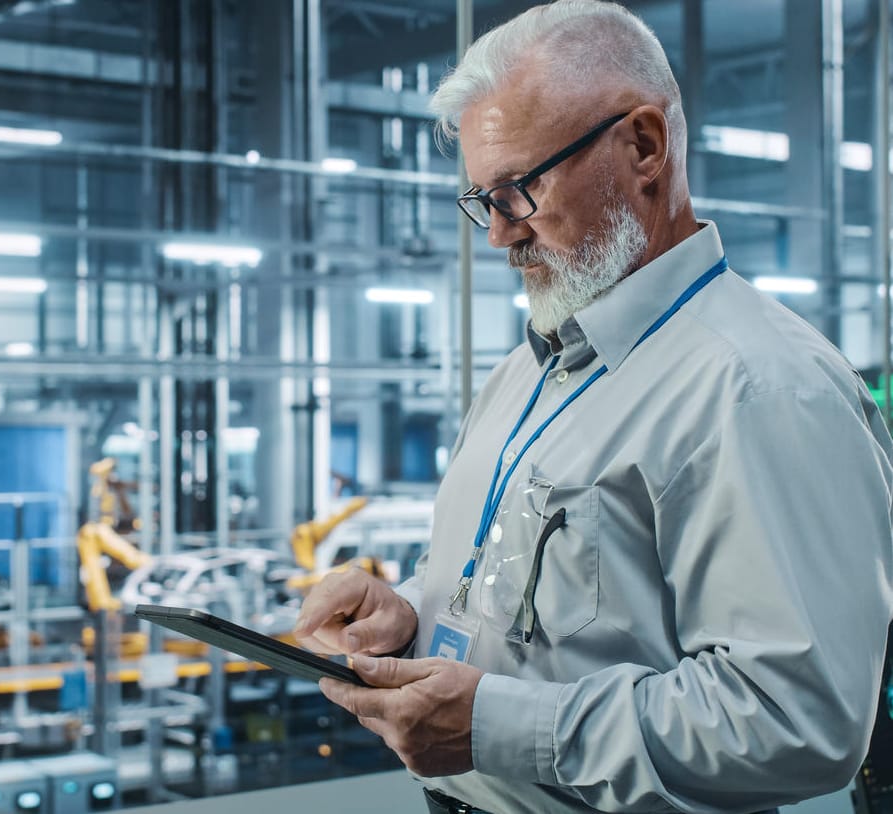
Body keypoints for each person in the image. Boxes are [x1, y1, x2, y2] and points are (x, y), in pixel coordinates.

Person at [293, 2, 893, 812]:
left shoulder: (757, 387)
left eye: (516, 190)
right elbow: (541, 604)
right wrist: (405, 617)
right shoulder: (526, 371)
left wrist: (500, 725)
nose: (500, 235)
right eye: (481, 200)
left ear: (642, 146)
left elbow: (797, 721)